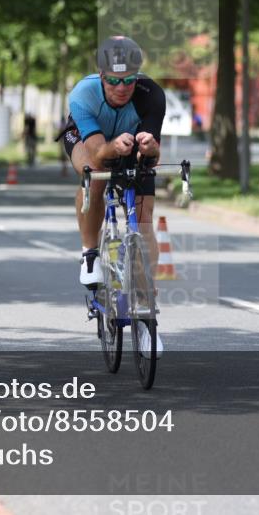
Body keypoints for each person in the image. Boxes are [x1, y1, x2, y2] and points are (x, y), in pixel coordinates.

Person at [57, 36, 165, 353]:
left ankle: (147, 317)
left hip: (131, 144)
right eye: (115, 81)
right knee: (94, 173)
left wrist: (151, 147)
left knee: (144, 220)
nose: (122, 88)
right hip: (90, 140)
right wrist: (112, 147)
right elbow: (97, 151)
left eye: (129, 80)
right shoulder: (83, 94)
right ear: (101, 76)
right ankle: (90, 252)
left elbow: (153, 156)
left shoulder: (151, 95)